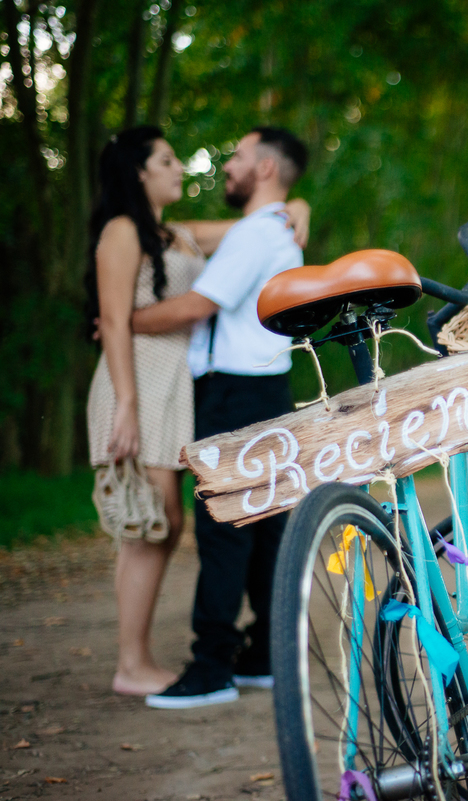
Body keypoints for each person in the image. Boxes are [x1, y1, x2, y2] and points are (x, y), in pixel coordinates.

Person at [85, 126, 309, 697]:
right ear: (139, 172)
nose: (183, 167)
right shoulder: (122, 231)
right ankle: (135, 663)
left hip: (179, 387)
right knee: (155, 522)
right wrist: (125, 397)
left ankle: (223, 657)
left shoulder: (178, 233)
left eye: (236, 155)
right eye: (167, 159)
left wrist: (296, 203)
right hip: (139, 384)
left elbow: (252, 228)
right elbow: (115, 318)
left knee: (188, 521)